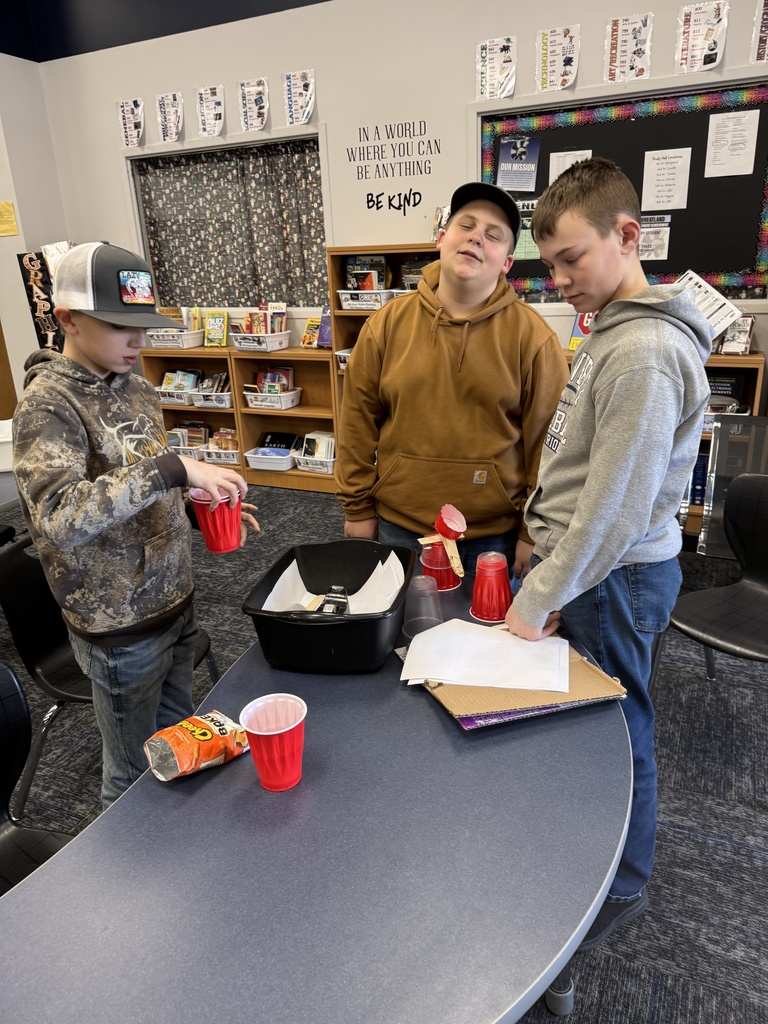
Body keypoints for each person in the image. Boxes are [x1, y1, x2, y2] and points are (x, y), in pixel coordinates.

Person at [505, 157, 713, 949]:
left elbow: (616, 508)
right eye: (550, 265)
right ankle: (585, 856)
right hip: (593, 572)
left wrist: (540, 593)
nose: (559, 281)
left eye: (571, 260)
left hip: (613, 578)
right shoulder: (612, 329)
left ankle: (620, 887)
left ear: (627, 236)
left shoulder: (642, 352)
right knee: (591, 723)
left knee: (619, 731)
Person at [12, 241, 259, 809]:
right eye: (121, 326)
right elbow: (59, 518)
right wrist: (172, 468)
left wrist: (192, 510)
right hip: (120, 627)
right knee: (131, 777)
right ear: (67, 319)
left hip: (173, 601)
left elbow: (138, 490)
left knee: (181, 745)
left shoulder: (138, 387)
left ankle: (179, 842)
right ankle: (128, 857)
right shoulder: (48, 406)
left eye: (144, 326)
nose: (139, 341)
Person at [335, 181, 569, 576]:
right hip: (400, 525)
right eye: (467, 226)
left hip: (494, 537)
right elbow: (357, 423)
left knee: (488, 621)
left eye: (493, 235)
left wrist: (533, 532)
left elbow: (547, 447)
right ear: (441, 239)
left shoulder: (533, 338)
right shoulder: (386, 325)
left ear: (507, 263)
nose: (477, 238)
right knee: (401, 617)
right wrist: (357, 509)